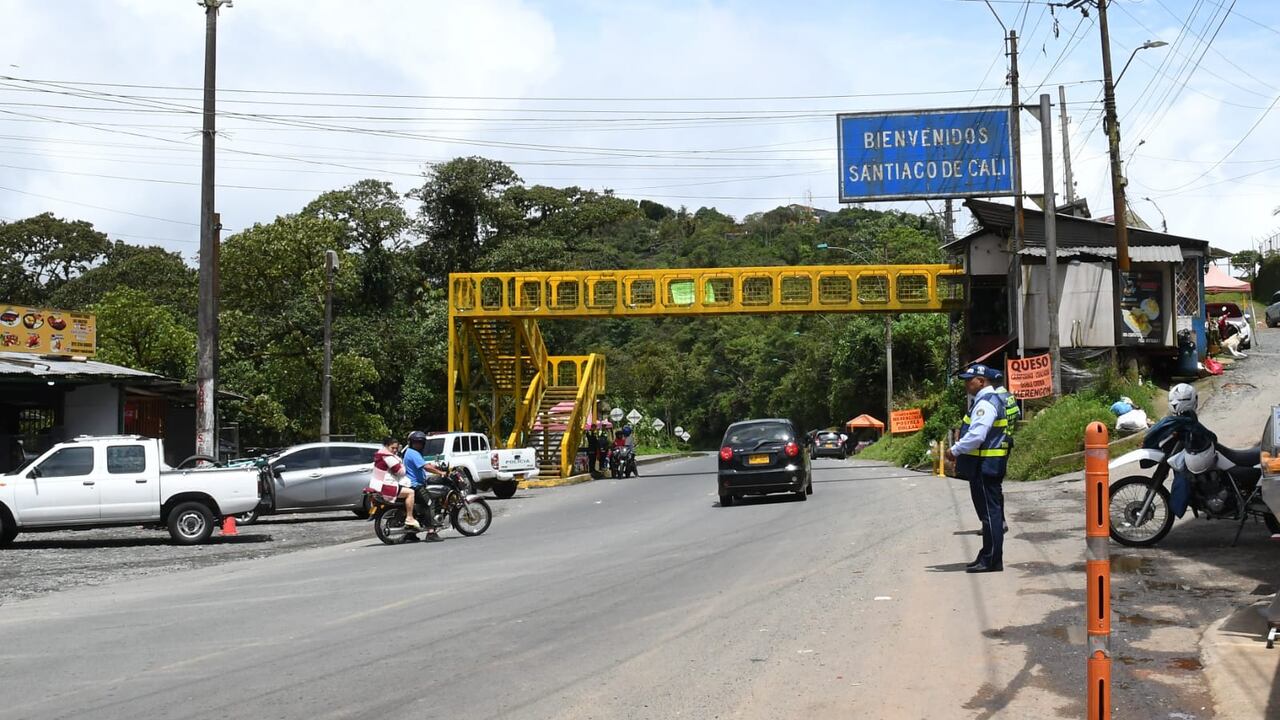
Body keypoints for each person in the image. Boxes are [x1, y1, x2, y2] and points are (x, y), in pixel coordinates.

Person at [944, 364, 1011, 574]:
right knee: (989, 515)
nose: (966, 384)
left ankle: (991, 560)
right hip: (985, 465)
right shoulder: (985, 401)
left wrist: (954, 450)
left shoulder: (986, 403)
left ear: (982, 381)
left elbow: (977, 435)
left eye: (969, 380)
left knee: (990, 515)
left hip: (986, 466)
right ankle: (987, 555)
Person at [403, 430, 446, 538]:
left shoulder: (412, 452)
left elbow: (425, 464)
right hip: (416, 485)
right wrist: (440, 473)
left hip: (415, 484)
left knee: (421, 508)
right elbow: (425, 467)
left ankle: (410, 534)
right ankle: (431, 532)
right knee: (429, 504)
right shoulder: (413, 453)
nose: (418, 444)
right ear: (411, 443)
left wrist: (436, 467)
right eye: (416, 442)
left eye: (420, 443)